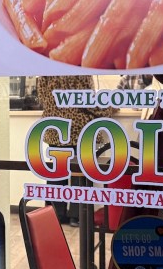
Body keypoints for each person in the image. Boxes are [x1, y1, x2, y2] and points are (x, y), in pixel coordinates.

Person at [37, 75, 112, 226]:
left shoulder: (45, 72)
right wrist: (108, 107)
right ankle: (77, 216)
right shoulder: (79, 72)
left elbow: (43, 99)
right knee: (80, 174)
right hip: (78, 130)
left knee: (57, 174)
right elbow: (87, 101)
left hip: (55, 128)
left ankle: (55, 215)